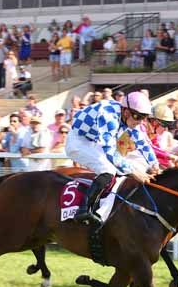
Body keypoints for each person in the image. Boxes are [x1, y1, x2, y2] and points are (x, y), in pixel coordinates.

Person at [65, 91, 158, 225]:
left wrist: (155, 165)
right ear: (126, 112)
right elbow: (110, 152)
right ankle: (83, 209)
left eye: (144, 117)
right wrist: (134, 172)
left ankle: (103, 208)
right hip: (77, 141)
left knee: (122, 169)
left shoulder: (129, 116)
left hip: (92, 142)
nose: (140, 122)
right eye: (138, 117)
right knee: (108, 169)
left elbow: (142, 143)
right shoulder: (108, 116)